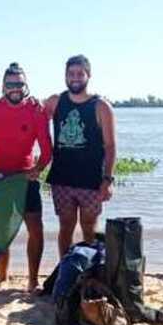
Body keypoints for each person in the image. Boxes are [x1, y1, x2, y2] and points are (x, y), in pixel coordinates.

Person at [0, 62, 52, 291]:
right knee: (0, 230)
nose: (15, 88)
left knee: (35, 229)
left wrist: (38, 168)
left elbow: (47, 149)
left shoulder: (36, 110)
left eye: (19, 84)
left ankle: (33, 280)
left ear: (26, 85)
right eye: (10, 84)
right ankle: (3, 277)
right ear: (3, 86)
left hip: (26, 179)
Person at [44, 55, 116, 257]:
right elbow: (34, 123)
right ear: (65, 76)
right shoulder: (55, 102)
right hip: (62, 178)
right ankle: (66, 268)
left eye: (79, 74)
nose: (75, 78)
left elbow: (111, 146)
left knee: (89, 227)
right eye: (71, 74)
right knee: (65, 227)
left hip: (91, 179)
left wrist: (108, 180)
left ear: (88, 75)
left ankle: (90, 268)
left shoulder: (101, 106)